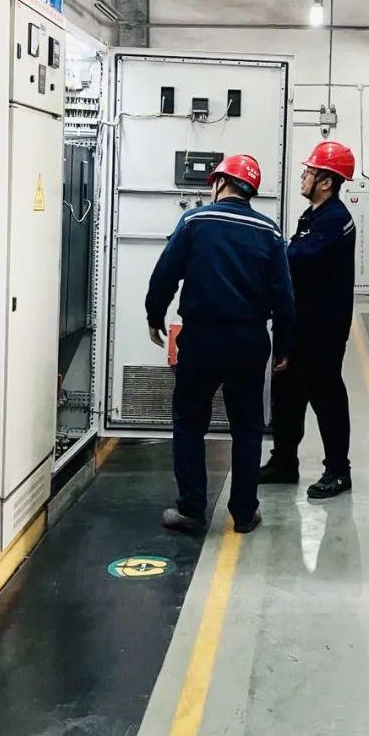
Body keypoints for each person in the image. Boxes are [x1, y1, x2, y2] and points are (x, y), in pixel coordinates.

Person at [146, 153, 295, 535]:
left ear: (220, 183)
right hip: (249, 340)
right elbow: (284, 296)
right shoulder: (269, 231)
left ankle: (192, 509)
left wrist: (154, 315)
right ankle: (244, 514)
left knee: (189, 421)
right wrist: (284, 345)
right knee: (247, 426)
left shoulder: (194, 221)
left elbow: (165, 273)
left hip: (202, 338)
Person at [260, 141, 357, 499]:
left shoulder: (335, 220)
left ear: (326, 182)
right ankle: (285, 462)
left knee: (326, 396)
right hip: (299, 323)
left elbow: (298, 259)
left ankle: (338, 471)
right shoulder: (314, 215)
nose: (303, 177)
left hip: (322, 328)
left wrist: (268, 254)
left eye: (309, 172)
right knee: (287, 393)